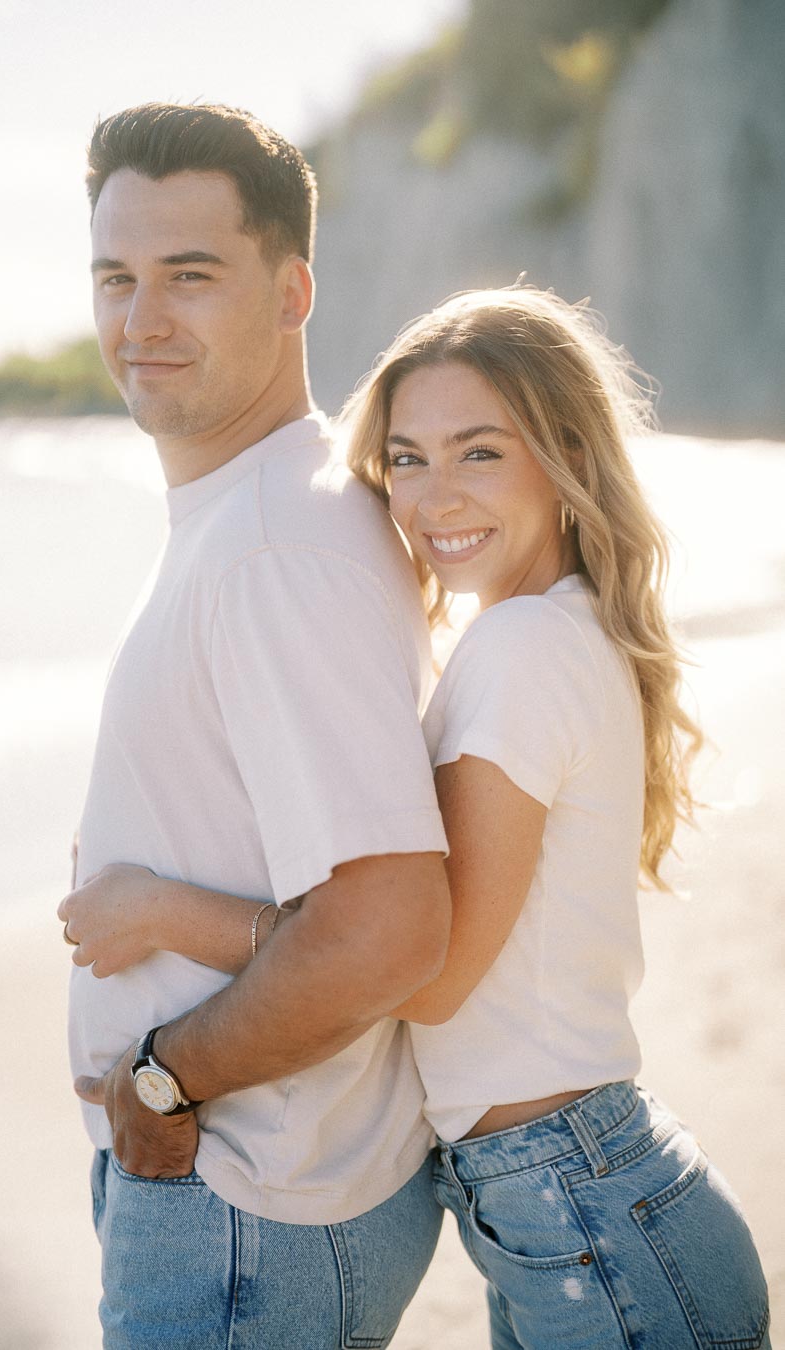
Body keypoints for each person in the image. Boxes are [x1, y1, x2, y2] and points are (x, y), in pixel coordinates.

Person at [63, 286, 771, 1348]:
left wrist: (161, 908)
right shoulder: (548, 632)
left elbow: (425, 976)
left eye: (479, 452)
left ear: (563, 456)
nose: (434, 497)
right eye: (406, 458)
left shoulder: (521, 654)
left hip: (583, 1213)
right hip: (568, 1199)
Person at [62, 101, 455, 1349]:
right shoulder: (260, 513)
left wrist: (161, 1078)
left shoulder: (276, 547)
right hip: (249, 1193)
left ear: (293, 293)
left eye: (191, 276)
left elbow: (389, 926)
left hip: (244, 1205)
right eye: (116, 278)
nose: (143, 321)